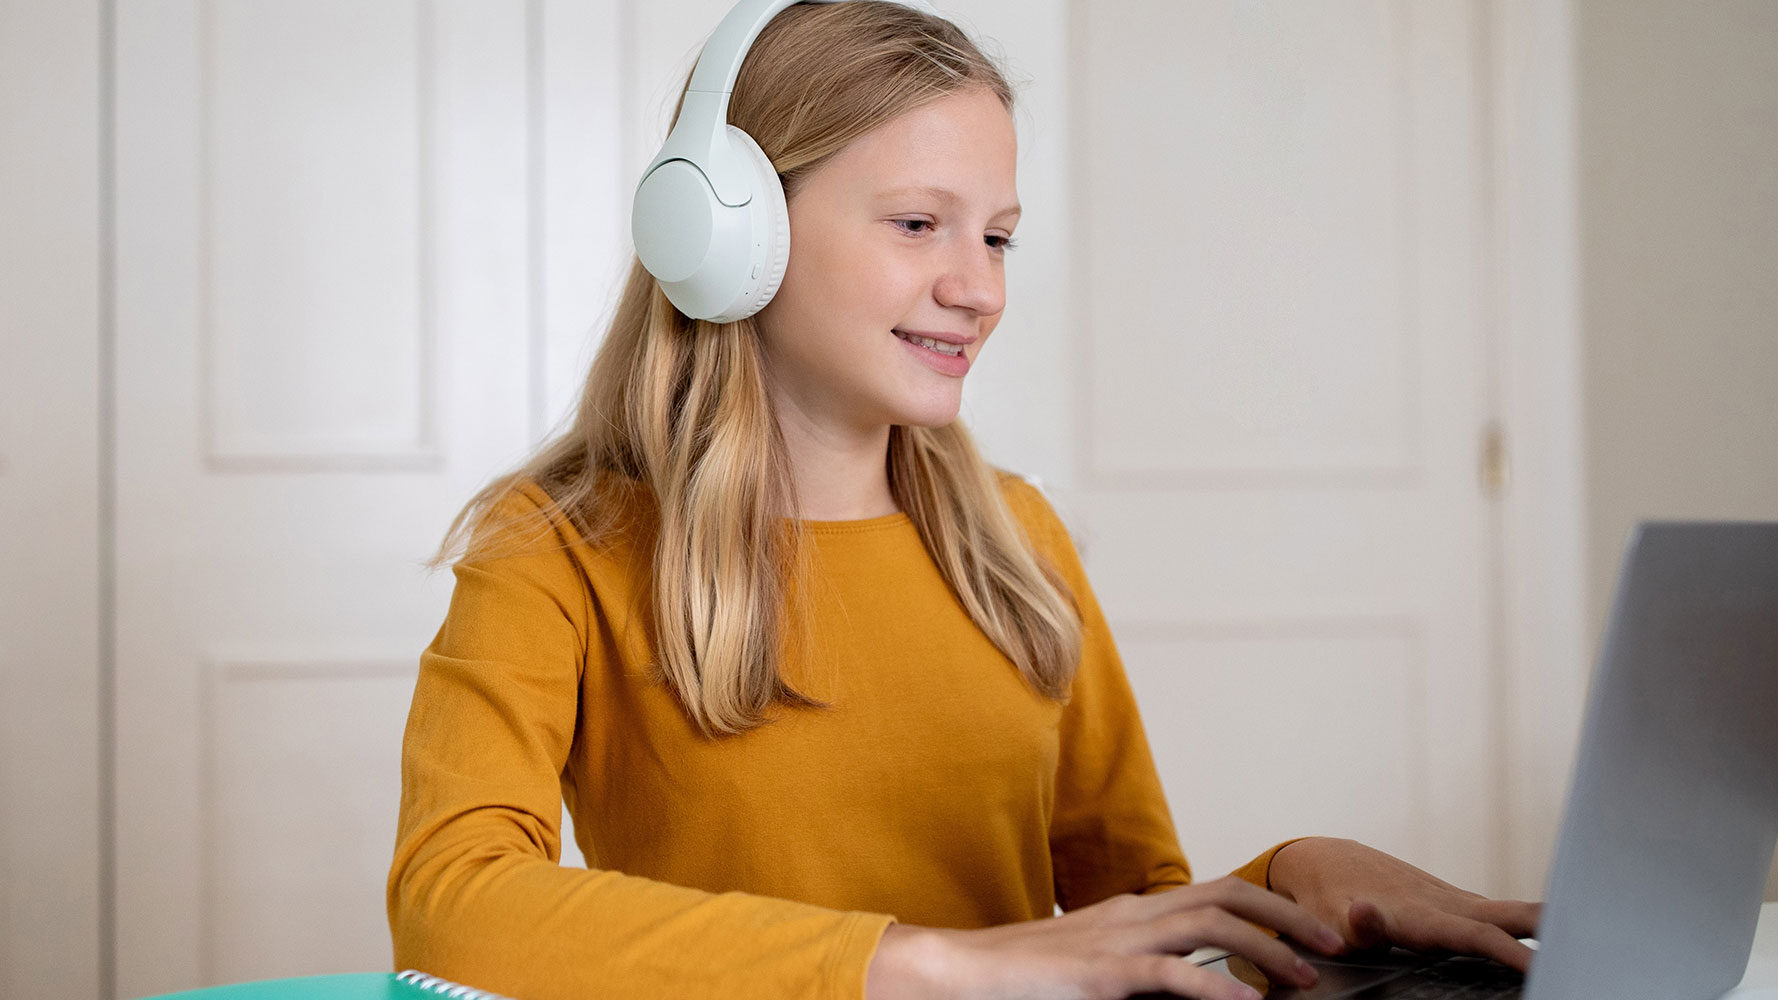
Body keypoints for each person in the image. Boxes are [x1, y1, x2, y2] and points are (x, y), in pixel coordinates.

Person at [385, 3, 1539, 998]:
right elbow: (453, 900)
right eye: (917, 223)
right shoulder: (558, 547)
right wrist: (923, 965)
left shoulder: (1015, 540)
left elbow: (1130, 916)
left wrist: (1289, 875)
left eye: (996, 237)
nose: (977, 287)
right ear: (728, 228)